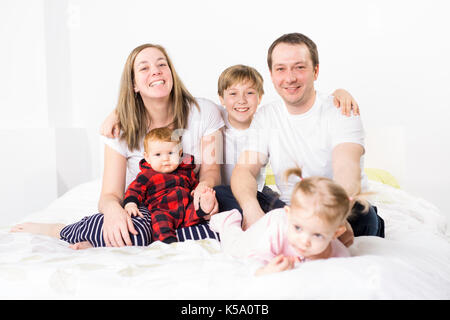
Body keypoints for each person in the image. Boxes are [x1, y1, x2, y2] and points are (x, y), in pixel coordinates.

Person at [11, 43, 224, 247]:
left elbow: (212, 171)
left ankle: (98, 242)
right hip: (148, 209)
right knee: (133, 232)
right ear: (133, 84)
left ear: (171, 74)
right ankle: (61, 231)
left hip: (190, 204)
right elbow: (110, 195)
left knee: (222, 228)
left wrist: (204, 189)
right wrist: (114, 212)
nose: (156, 71)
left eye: (162, 64)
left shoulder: (203, 112)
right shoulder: (118, 129)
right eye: (144, 68)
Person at [230, 33, 385, 246]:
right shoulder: (266, 115)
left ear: (316, 71)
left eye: (299, 67)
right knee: (225, 194)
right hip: (289, 209)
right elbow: (244, 170)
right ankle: (294, 233)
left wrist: (334, 218)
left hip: (338, 207)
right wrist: (251, 211)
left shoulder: (341, 109)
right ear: (272, 74)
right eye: (281, 69)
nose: (290, 77)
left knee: (364, 217)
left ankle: (306, 234)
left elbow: (346, 169)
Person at [212, 64, 360, 214]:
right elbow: (196, 107)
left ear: (260, 98)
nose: (241, 100)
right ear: (221, 99)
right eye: (233, 94)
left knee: (280, 202)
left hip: (255, 190)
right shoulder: (215, 118)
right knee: (219, 193)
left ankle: (297, 217)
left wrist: (340, 93)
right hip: (226, 191)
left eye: (249, 93)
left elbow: (311, 106)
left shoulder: (267, 121)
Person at [210, 167, 357, 276]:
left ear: (335, 233)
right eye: (298, 228)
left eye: (318, 235)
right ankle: (228, 220)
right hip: (269, 227)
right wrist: (263, 271)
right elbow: (254, 258)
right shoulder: (278, 231)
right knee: (236, 248)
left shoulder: (338, 254)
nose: (304, 241)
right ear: (289, 215)